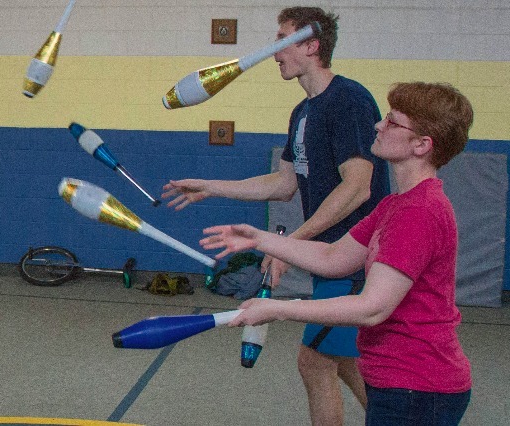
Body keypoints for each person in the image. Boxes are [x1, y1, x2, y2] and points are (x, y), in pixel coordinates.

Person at [159, 7, 389, 425]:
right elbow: (283, 183)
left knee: (315, 361)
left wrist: (290, 244)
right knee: (345, 360)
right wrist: (211, 187)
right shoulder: (303, 113)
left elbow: (357, 186)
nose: (273, 53)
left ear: (311, 45)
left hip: (359, 258)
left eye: (281, 40)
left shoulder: (349, 100)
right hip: (333, 259)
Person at [203, 82, 475, 425]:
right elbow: (334, 258)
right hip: (393, 379)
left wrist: (278, 309)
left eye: (392, 122)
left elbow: (371, 307)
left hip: (418, 387)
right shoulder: (395, 204)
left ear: (422, 145)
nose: (378, 125)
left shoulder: (419, 211)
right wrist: (259, 239)